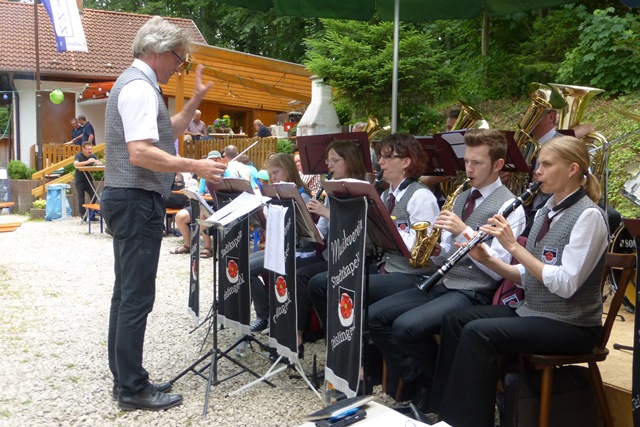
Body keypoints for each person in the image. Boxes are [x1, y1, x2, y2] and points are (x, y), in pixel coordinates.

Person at [429, 136, 608, 427]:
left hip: (572, 324)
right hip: (535, 311)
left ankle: (466, 422)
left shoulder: (589, 217)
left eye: (547, 165)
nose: (537, 171)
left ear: (573, 169)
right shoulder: (547, 209)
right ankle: (442, 411)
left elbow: (566, 284)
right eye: (539, 164)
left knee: (478, 333)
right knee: (456, 320)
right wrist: (488, 259)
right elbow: (528, 278)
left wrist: (514, 248)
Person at [100, 16, 225, 412]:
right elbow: (141, 152)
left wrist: (195, 100)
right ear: (157, 51)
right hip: (136, 199)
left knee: (127, 294)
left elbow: (164, 131)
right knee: (136, 296)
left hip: (129, 196)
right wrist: (196, 166)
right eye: (178, 58)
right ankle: (132, 389)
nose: (179, 66)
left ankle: (126, 378)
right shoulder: (139, 88)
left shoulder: (138, 84)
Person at [368, 128, 525, 405]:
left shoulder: (511, 206)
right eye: (466, 161)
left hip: (474, 292)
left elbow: (498, 268)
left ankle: (433, 390)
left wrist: (465, 231)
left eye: (477, 163)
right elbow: (444, 255)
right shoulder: (462, 195)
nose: (469, 169)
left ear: (498, 165)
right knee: (375, 317)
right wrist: (436, 249)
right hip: (443, 282)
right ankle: (424, 380)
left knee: (405, 327)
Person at [249, 153, 313, 334]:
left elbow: (304, 233)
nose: (273, 178)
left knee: (249, 268)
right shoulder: (278, 193)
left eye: (276, 172)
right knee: (244, 265)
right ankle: (265, 315)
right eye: (270, 174)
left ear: (289, 170)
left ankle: (265, 317)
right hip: (281, 248)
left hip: (299, 251)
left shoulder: (302, 195)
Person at [170, 151, 220, 257]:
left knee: (203, 213)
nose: (213, 162)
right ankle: (188, 245)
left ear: (220, 160)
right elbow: (201, 191)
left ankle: (208, 247)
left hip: (218, 205)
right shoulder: (204, 175)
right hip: (203, 203)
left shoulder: (225, 173)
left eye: (216, 160)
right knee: (180, 216)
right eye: (211, 160)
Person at [73, 142, 103, 218]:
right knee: (81, 198)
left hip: (89, 180)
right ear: (83, 149)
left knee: (94, 196)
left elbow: (100, 163)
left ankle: (91, 215)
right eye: (88, 149)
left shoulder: (93, 156)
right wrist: (88, 162)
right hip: (80, 180)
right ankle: (83, 216)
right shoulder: (78, 155)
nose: (90, 151)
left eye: (91, 149)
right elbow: (76, 164)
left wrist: (97, 162)